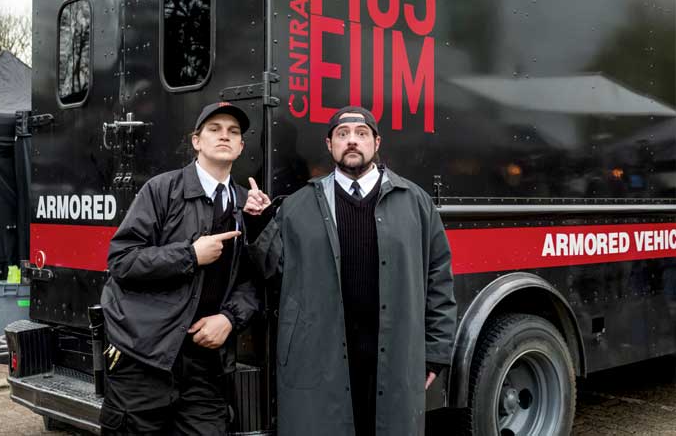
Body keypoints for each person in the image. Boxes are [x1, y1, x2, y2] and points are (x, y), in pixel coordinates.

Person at [249, 106, 457, 436]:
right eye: (342, 134)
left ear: (376, 142)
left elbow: (439, 281)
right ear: (329, 144)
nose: (352, 141)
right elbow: (272, 272)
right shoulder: (297, 206)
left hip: (391, 356)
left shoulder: (416, 203)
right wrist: (259, 222)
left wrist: (435, 353)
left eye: (361, 134)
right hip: (322, 359)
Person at [100, 102, 269, 435]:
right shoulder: (162, 190)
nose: (224, 136)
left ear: (240, 147)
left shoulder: (246, 205)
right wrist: (190, 255)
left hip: (205, 363)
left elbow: (254, 281)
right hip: (144, 356)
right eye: (214, 129)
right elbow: (122, 260)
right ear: (196, 141)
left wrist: (229, 319)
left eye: (233, 132)